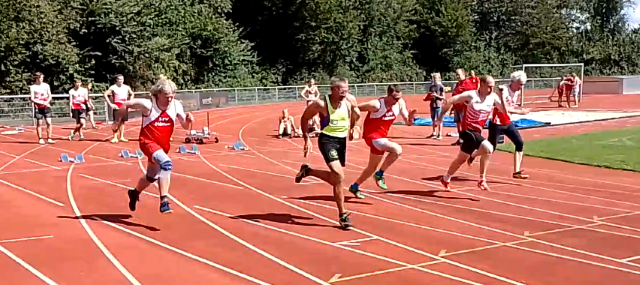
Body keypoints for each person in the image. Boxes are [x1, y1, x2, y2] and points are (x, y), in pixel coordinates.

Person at [113, 76, 194, 214]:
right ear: (158, 94)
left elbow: (185, 127)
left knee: (151, 176)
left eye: (172, 96)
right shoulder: (148, 104)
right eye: (166, 96)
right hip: (147, 142)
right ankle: (164, 201)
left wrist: (188, 120)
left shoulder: (176, 105)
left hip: (163, 146)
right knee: (167, 164)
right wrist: (116, 122)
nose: (169, 99)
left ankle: (134, 193)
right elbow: (125, 104)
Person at [294, 76, 361, 230]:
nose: (345, 93)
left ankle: (308, 171)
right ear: (334, 90)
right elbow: (304, 118)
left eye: (347, 90)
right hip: (327, 140)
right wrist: (306, 140)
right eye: (342, 91)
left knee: (336, 179)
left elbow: (357, 115)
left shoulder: (350, 100)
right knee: (339, 176)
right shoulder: (321, 104)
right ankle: (343, 215)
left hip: (342, 141)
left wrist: (354, 127)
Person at [436, 75, 508, 191]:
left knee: (461, 159)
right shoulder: (471, 95)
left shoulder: (493, 97)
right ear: (482, 84)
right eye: (489, 87)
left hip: (477, 132)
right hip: (467, 130)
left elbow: (504, 111)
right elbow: (450, 100)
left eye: (493, 87)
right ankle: (480, 176)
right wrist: (440, 118)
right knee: (488, 148)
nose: (491, 90)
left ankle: (446, 178)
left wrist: (502, 97)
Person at [348, 85, 417, 199]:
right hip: (371, 136)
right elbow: (354, 108)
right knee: (397, 149)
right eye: (395, 98)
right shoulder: (376, 104)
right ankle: (379, 175)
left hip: (382, 138)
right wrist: (354, 126)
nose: (397, 100)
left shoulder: (400, 103)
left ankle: (355, 186)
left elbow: (408, 122)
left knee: (371, 167)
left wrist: (410, 119)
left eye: (399, 98)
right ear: (388, 95)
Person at [470, 71, 530, 179]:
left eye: (523, 85)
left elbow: (510, 107)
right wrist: (521, 112)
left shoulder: (516, 92)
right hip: (496, 123)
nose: (521, 87)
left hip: (507, 122)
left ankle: (516, 171)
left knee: (519, 142)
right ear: (514, 82)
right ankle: (473, 155)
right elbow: (504, 109)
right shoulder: (503, 91)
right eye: (520, 84)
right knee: (491, 149)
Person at [449, 69, 477, 145]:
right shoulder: (458, 84)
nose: (457, 76)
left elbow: (472, 95)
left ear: (463, 74)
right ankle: (460, 139)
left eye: (459, 74)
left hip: (463, 108)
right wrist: (453, 107)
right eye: (456, 75)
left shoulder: (467, 84)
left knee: (464, 125)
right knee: (458, 124)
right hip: (457, 107)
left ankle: (466, 140)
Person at [104, 74, 135, 143]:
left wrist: (130, 101)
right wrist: (110, 104)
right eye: (119, 79)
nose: (121, 81)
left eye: (122, 79)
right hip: (117, 107)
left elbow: (132, 94)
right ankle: (115, 137)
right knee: (116, 122)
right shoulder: (113, 87)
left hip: (124, 106)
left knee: (122, 122)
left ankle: (121, 137)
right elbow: (105, 94)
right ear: (117, 80)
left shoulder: (126, 87)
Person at [29, 72, 55, 145]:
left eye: (43, 78)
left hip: (46, 106)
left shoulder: (46, 85)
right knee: (39, 123)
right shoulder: (33, 87)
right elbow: (32, 98)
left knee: (49, 122)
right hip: (38, 107)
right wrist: (40, 102)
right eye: (41, 78)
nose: (42, 79)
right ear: (37, 78)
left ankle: (49, 138)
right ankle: (40, 138)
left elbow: (50, 96)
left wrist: (47, 102)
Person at [424, 73, 445, 139]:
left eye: (436, 78)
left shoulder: (441, 86)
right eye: (434, 78)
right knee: (433, 119)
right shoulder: (431, 86)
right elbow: (430, 95)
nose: (435, 79)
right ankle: (434, 132)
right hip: (432, 104)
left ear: (439, 78)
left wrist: (436, 96)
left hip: (438, 105)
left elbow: (443, 97)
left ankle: (440, 134)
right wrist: (426, 98)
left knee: (439, 120)